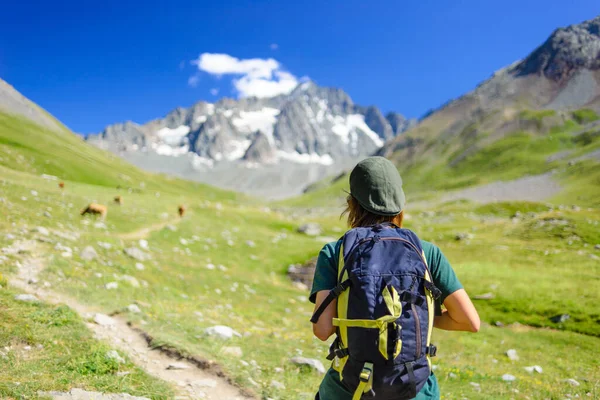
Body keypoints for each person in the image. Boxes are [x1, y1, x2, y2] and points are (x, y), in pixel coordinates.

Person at [310, 156, 480, 400]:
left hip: (350, 388)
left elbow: (323, 330)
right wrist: (419, 314)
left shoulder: (335, 252)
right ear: (400, 206)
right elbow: (469, 321)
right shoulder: (426, 252)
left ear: (352, 204)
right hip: (415, 389)